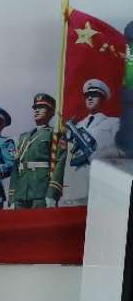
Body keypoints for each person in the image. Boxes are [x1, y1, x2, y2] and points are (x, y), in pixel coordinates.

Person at [61, 78, 122, 206]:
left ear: (103, 99)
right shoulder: (77, 127)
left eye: (94, 95)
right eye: (87, 95)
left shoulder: (114, 123)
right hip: (76, 188)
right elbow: (69, 161)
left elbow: (124, 151)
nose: (89, 98)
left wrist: (102, 154)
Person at [11, 93, 65, 208]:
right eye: (35, 107)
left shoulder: (54, 134)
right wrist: (12, 196)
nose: (36, 110)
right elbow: (15, 167)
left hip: (41, 191)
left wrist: (52, 193)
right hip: (21, 193)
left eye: (41, 107)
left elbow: (59, 164)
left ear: (51, 112)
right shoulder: (23, 137)